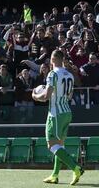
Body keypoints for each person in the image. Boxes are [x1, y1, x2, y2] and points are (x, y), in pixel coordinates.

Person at [32, 50, 84, 186]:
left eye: (50, 57)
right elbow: (69, 96)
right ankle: (54, 175)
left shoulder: (53, 74)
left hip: (55, 114)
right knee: (59, 145)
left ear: (54, 59)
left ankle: (75, 167)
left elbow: (46, 97)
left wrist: (35, 96)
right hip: (67, 112)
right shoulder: (70, 75)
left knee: (52, 144)